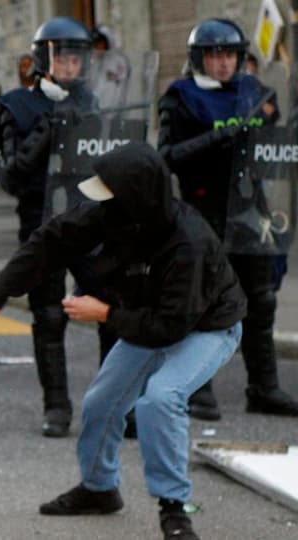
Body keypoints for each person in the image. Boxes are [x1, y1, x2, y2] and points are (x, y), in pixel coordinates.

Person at [0, 142, 245, 540]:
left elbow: (169, 328)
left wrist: (105, 315)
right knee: (101, 402)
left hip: (207, 327)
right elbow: (51, 239)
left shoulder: (189, 243)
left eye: (110, 193)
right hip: (147, 318)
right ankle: (100, 489)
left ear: (136, 196)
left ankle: (174, 509)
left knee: (161, 397)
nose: (102, 203)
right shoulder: (114, 214)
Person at [158, 18, 298, 419]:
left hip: (252, 212)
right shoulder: (180, 97)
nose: (223, 63)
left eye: (231, 54)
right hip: (203, 213)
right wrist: (217, 139)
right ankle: (199, 391)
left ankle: (264, 388)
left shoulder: (255, 93)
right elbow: (167, 156)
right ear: (199, 58)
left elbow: (273, 151)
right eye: (215, 54)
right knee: (205, 303)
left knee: (261, 300)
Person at [0, 16, 98, 438]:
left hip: (91, 220)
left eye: (77, 58)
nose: (71, 66)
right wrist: (47, 130)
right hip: (41, 222)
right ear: (43, 58)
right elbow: (11, 176)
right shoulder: (16, 104)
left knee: (111, 306)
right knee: (49, 315)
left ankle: (117, 405)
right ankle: (56, 406)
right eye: (63, 57)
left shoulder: (93, 100)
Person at [89, 26, 131, 109]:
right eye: (95, 45)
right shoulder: (94, 62)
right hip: (97, 111)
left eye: (100, 44)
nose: (98, 48)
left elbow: (118, 87)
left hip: (113, 111)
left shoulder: (118, 61)